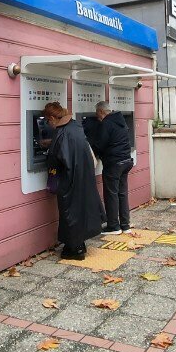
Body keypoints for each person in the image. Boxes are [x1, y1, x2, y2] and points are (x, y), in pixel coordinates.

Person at [43, 101, 105, 260]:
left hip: (69, 180)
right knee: (80, 211)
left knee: (69, 213)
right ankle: (79, 244)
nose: (47, 125)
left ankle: (74, 250)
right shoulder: (75, 127)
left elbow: (57, 158)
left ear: (52, 118)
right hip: (83, 177)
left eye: (47, 121)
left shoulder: (62, 133)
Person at [89, 101, 135, 234]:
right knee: (122, 193)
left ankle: (113, 226)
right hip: (126, 161)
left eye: (98, 114)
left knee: (111, 194)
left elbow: (100, 144)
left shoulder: (106, 123)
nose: (98, 118)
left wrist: (90, 150)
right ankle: (125, 225)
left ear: (102, 112)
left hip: (114, 163)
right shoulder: (120, 121)